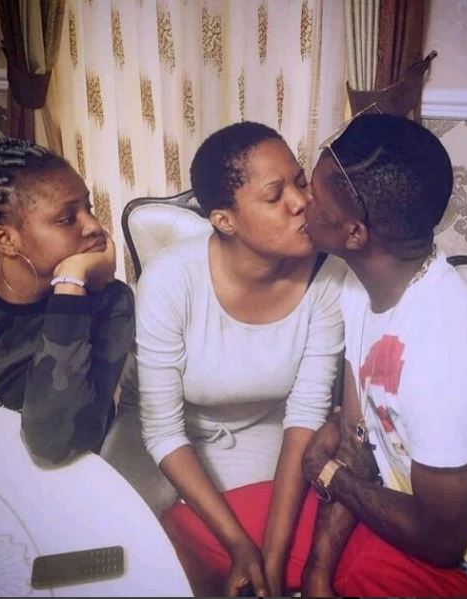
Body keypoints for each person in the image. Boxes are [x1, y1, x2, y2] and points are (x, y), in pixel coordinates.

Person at [298, 113, 467, 596]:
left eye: (313, 194)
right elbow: (357, 440)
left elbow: (441, 542)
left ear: (355, 233)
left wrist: (329, 474)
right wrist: (316, 574)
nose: (301, 203)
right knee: (201, 533)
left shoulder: (448, 357)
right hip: (391, 512)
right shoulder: (358, 287)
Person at [101, 121, 346, 596]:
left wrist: (269, 557)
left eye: (300, 182)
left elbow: (305, 416)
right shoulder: (170, 280)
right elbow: (162, 430)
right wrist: (238, 544)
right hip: (157, 435)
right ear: (224, 220)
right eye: (274, 196)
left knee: (274, 564)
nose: (301, 202)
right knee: (129, 555)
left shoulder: (329, 278)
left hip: (262, 430)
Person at [0, 138, 134, 466]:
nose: (94, 226)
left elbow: (54, 445)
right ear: (4, 239)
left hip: (60, 479)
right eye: (67, 218)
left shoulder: (111, 303)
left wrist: (70, 284)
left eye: (89, 208)